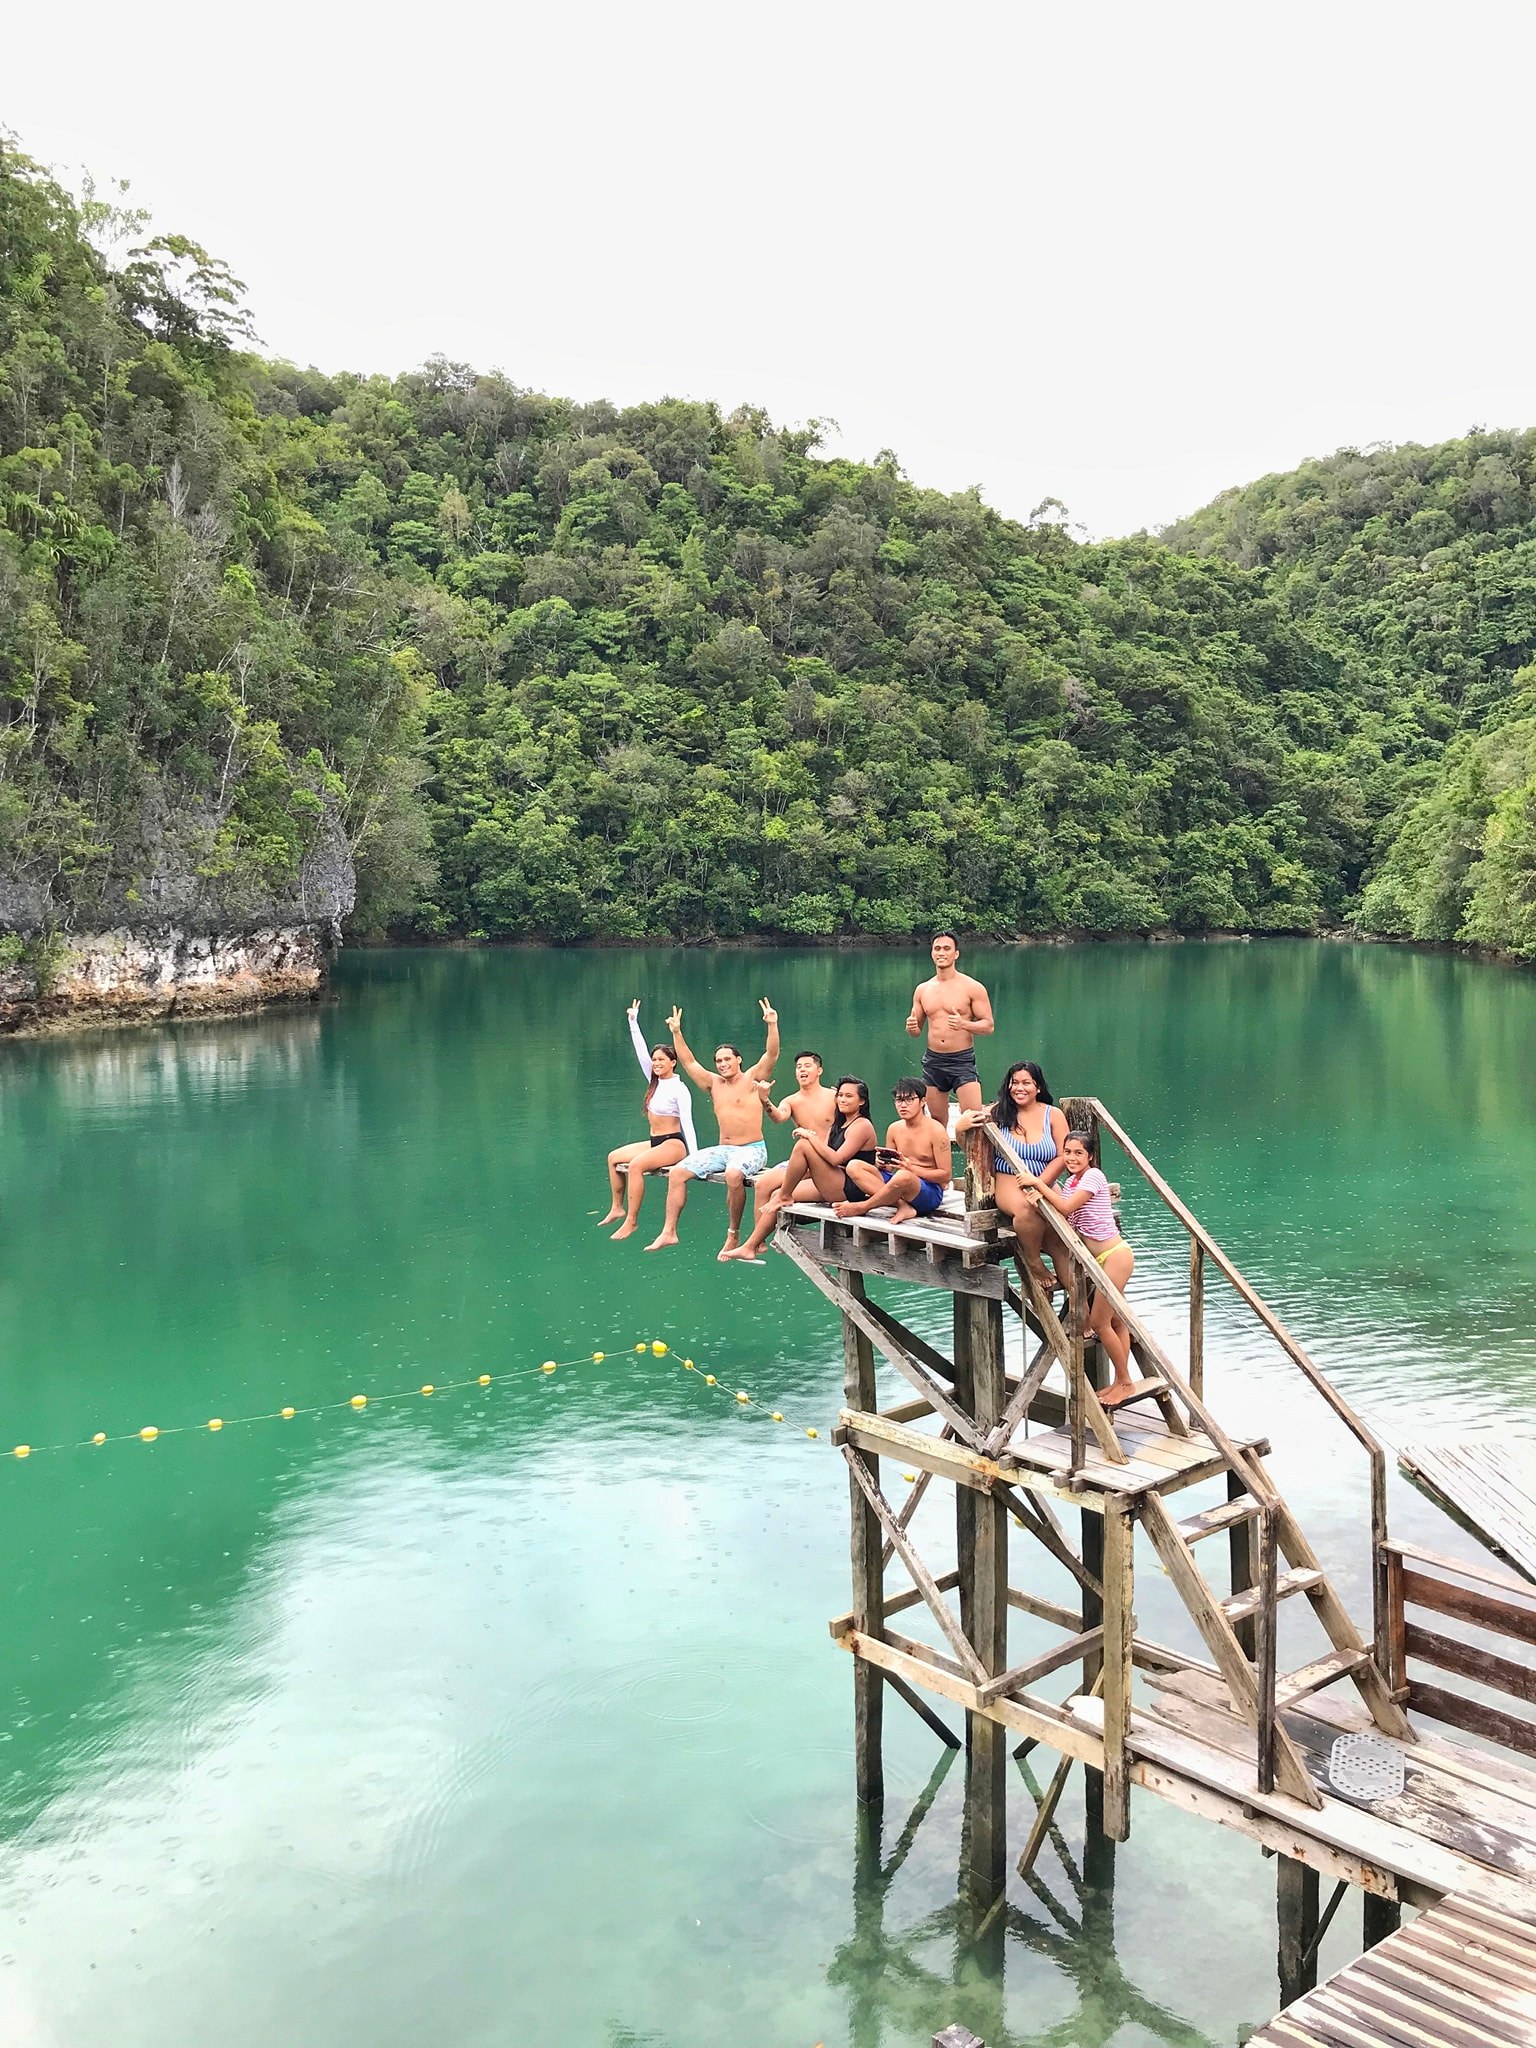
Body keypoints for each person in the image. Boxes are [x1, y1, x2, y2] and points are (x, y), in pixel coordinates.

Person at [644, 999, 780, 1255]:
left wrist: (772, 1025)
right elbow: (689, 1062)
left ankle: (733, 1234)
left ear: (739, 1060)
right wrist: (676, 1033)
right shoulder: (713, 1083)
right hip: (723, 1149)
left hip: (752, 1149)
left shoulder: (752, 1079)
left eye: (727, 1059)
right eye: (718, 1060)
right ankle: (669, 1231)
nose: (722, 1064)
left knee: (732, 1174)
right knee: (677, 1173)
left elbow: (771, 1055)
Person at [1019, 1130, 1138, 1406]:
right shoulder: (1072, 1182)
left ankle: (1125, 1382)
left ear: (1090, 1156)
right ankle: (1121, 1380)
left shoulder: (1093, 1177)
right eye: (1067, 1153)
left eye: (1078, 1153)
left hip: (1115, 1256)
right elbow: (1066, 1212)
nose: (1072, 1158)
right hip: (1101, 1261)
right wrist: (1041, 1201)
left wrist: (1038, 1184)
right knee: (1116, 1321)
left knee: (1099, 1322)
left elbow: (1065, 1207)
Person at [723, 1078, 878, 1262]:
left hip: (851, 1189)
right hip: (835, 1181)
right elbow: (825, 1156)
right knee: (775, 1194)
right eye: (840, 1095)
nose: (842, 1100)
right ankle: (751, 1246)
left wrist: (810, 1137)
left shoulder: (862, 1126)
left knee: (803, 1146)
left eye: (849, 1096)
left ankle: (784, 1196)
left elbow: (837, 1159)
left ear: (861, 1101)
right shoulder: (838, 1124)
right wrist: (804, 1173)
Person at [956, 1061, 1069, 1295]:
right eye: (1014, 1082)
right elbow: (971, 1149)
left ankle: (1083, 1316)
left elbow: (1062, 1155)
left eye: (1026, 1083)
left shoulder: (1053, 1114)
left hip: (1043, 1178)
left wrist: (1040, 1182)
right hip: (1009, 1176)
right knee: (1027, 1210)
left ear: (1038, 1087)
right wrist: (960, 1128)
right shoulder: (996, 1113)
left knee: (1062, 1241)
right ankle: (1034, 1261)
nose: (1019, 1088)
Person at [601, 1000, 700, 1239]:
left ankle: (632, 1221)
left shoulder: (679, 1089)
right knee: (614, 1158)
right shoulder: (653, 1081)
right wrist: (633, 1022)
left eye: (661, 1060)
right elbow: (640, 1053)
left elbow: (688, 1122)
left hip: (674, 1144)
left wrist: (695, 1157)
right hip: (655, 1142)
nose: (656, 1063)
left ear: (673, 1062)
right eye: (654, 1060)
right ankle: (617, 1207)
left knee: (635, 1166)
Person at [742, 1051, 837, 1245]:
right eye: (799, 1067)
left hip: (827, 1161)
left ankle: (757, 1240)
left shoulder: (834, 1096)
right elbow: (778, 1117)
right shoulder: (792, 1100)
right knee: (762, 1184)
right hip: (802, 1162)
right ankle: (758, 1242)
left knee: (778, 1193)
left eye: (807, 1065)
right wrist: (764, 1100)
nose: (802, 1069)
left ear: (819, 1070)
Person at [906, 931, 995, 1128]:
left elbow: (988, 1026)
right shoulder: (923, 989)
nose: (941, 953)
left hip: (961, 1060)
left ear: (956, 954)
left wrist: (965, 1024)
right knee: (937, 1123)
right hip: (933, 1061)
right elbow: (916, 1031)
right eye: (937, 948)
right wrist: (911, 1027)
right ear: (931, 953)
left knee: (974, 1119)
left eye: (947, 948)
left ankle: (975, 1159)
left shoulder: (972, 987)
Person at [834, 1077, 953, 1224]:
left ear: (923, 1101)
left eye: (909, 1100)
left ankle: (863, 1207)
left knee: (904, 1175)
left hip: (927, 1191)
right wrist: (881, 1163)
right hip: (899, 1184)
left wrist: (912, 1169)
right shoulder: (894, 1128)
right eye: (899, 1100)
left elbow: (945, 1175)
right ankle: (901, 1206)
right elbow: (890, 1169)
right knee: (854, 1166)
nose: (903, 1105)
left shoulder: (936, 1131)